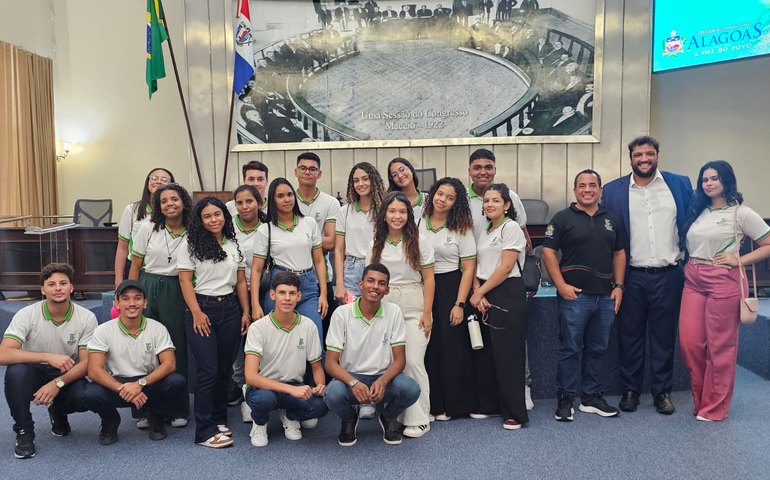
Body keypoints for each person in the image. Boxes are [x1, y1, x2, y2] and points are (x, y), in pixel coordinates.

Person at [601, 135, 694, 415]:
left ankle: (662, 392)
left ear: (657, 155)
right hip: (631, 276)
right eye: (638, 155)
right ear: (630, 158)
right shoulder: (614, 190)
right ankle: (631, 390)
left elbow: (694, 219)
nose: (644, 159)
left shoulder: (679, 184)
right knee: (629, 337)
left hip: (669, 274)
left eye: (649, 154)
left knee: (664, 336)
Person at [678, 160, 770, 422]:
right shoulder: (699, 210)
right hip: (693, 278)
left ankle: (715, 407)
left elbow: (768, 243)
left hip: (723, 279)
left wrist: (739, 259)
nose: (709, 183)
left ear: (726, 181)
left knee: (720, 346)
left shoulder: (741, 213)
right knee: (690, 343)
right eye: (705, 179)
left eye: (714, 178)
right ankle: (701, 400)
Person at [542, 170, 626, 422]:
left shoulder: (612, 218)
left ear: (600, 190)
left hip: (605, 296)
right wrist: (560, 285)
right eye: (581, 185)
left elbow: (619, 253)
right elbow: (548, 252)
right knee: (570, 349)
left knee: (598, 348)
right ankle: (566, 399)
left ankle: (591, 398)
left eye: (592, 185)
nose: (587, 189)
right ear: (574, 190)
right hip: (574, 296)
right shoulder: (562, 218)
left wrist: (619, 286)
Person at [0, 264, 101, 459]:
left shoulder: (87, 317)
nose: (58, 288)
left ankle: (58, 410)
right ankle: (24, 431)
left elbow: (87, 363)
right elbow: (3, 354)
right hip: (33, 372)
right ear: (43, 289)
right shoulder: (26, 314)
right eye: (51, 284)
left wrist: (57, 384)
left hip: (66, 374)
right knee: (15, 373)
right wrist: (47, 356)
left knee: (84, 396)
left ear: (71, 287)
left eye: (63, 283)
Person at [178, 197, 250, 448]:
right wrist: (196, 312)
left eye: (217, 214)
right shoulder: (190, 244)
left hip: (230, 309)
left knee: (223, 369)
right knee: (207, 369)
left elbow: (241, 282)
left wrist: (245, 312)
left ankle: (219, 419)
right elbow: (185, 281)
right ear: (200, 220)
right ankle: (204, 431)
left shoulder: (232, 244)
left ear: (225, 216)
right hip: (203, 309)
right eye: (207, 216)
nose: (213, 219)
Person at [466, 148, 534, 410]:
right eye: (477, 167)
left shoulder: (511, 202)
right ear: (470, 171)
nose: (483, 171)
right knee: (489, 346)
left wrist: (516, 278)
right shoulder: (467, 203)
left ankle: (521, 389)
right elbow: (475, 254)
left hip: (505, 285)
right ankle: (495, 397)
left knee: (512, 344)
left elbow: (523, 239)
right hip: (481, 281)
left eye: (488, 167)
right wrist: (476, 288)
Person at [324, 263, 421, 446]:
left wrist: (383, 381)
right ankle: (349, 418)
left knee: (411, 389)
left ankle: (388, 416)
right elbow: (330, 363)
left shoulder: (394, 312)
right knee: (332, 394)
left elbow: (400, 360)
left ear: (387, 289)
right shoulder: (341, 314)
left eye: (381, 283)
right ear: (360, 284)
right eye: (370, 281)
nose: (375, 286)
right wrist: (353, 382)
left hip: (382, 379)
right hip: (350, 379)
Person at [367, 191, 435, 438]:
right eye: (392, 211)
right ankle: (393, 415)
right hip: (385, 305)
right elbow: (370, 280)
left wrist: (427, 312)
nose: (397, 216)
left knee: (414, 361)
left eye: (403, 212)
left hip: (414, 304)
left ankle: (419, 418)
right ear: (384, 214)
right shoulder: (375, 242)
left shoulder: (420, 241)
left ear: (409, 214)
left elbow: (429, 279)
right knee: (389, 364)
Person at [87, 280, 187, 445]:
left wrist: (140, 384)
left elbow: (169, 364)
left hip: (148, 382)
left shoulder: (157, 328)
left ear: (145, 303)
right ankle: (110, 420)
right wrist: (123, 388)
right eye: (125, 299)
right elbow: (94, 370)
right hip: (117, 383)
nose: (132, 303)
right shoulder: (103, 330)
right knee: (90, 393)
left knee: (176, 382)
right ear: (116, 303)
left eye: (137, 298)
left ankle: (155, 414)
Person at [128, 183, 193, 428]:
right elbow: (135, 264)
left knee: (175, 346)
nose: (169, 204)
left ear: (184, 202)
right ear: (158, 206)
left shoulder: (193, 229)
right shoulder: (146, 228)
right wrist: (131, 295)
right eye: (164, 201)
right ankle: (144, 409)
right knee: (145, 346)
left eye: (174, 199)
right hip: (147, 285)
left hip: (178, 288)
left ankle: (177, 408)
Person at [244, 272, 328, 447]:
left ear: (299, 296)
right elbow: (250, 377)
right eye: (282, 293)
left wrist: (320, 385)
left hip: (293, 385)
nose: (287, 298)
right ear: (272, 295)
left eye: (292, 293)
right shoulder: (258, 328)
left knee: (322, 405)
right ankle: (259, 422)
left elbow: (317, 367)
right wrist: (290, 390)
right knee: (263, 401)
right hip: (263, 387)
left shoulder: (308, 325)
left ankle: (290, 415)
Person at [420, 177, 478, 420]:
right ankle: (433, 406)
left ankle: (454, 406)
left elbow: (468, 269)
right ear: (433, 193)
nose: (442, 200)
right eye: (439, 194)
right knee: (428, 348)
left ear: (457, 203)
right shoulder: (419, 221)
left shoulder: (461, 227)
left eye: (449, 197)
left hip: (451, 288)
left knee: (451, 348)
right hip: (424, 287)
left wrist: (459, 304)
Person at [250, 178, 328, 342]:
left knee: (315, 339)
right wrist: (255, 304)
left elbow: (319, 261)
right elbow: (256, 269)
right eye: (280, 196)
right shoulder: (265, 230)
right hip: (279, 286)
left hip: (308, 287)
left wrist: (324, 294)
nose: (286, 199)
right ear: (273, 200)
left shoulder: (309, 223)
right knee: (277, 341)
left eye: (289, 194)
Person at [227, 185, 267, 420]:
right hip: (235, 291)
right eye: (240, 202)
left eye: (249, 201)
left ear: (259, 203)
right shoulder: (228, 226)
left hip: (263, 291)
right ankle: (242, 387)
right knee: (241, 340)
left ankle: (263, 386)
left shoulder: (268, 228)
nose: (244, 207)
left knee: (262, 340)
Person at [293, 152, 340, 339]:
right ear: (295, 171)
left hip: (321, 276)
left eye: (312, 169)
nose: (307, 172)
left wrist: (299, 240)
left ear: (319, 174)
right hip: (290, 275)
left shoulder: (330, 203)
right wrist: (314, 241)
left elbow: (331, 241)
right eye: (303, 168)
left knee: (322, 332)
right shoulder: (286, 199)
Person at [334, 162, 386, 303]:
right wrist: (339, 283)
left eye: (365, 179)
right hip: (352, 270)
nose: (360, 184)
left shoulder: (384, 210)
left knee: (377, 318)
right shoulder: (344, 211)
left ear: (373, 180)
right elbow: (339, 250)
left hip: (378, 265)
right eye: (356, 180)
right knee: (350, 315)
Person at [114, 168, 175, 288]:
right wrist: (118, 280)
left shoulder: (174, 211)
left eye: (164, 179)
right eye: (154, 178)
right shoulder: (132, 210)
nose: (158, 181)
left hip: (167, 272)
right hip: (136, 269)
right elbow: (122, 247)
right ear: (148, 182)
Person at [387, 157, 428, 222]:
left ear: (411, 170)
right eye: (394, 175)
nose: (400, 176)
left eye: (402, 170)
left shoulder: (430, 200)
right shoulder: (392, 203)